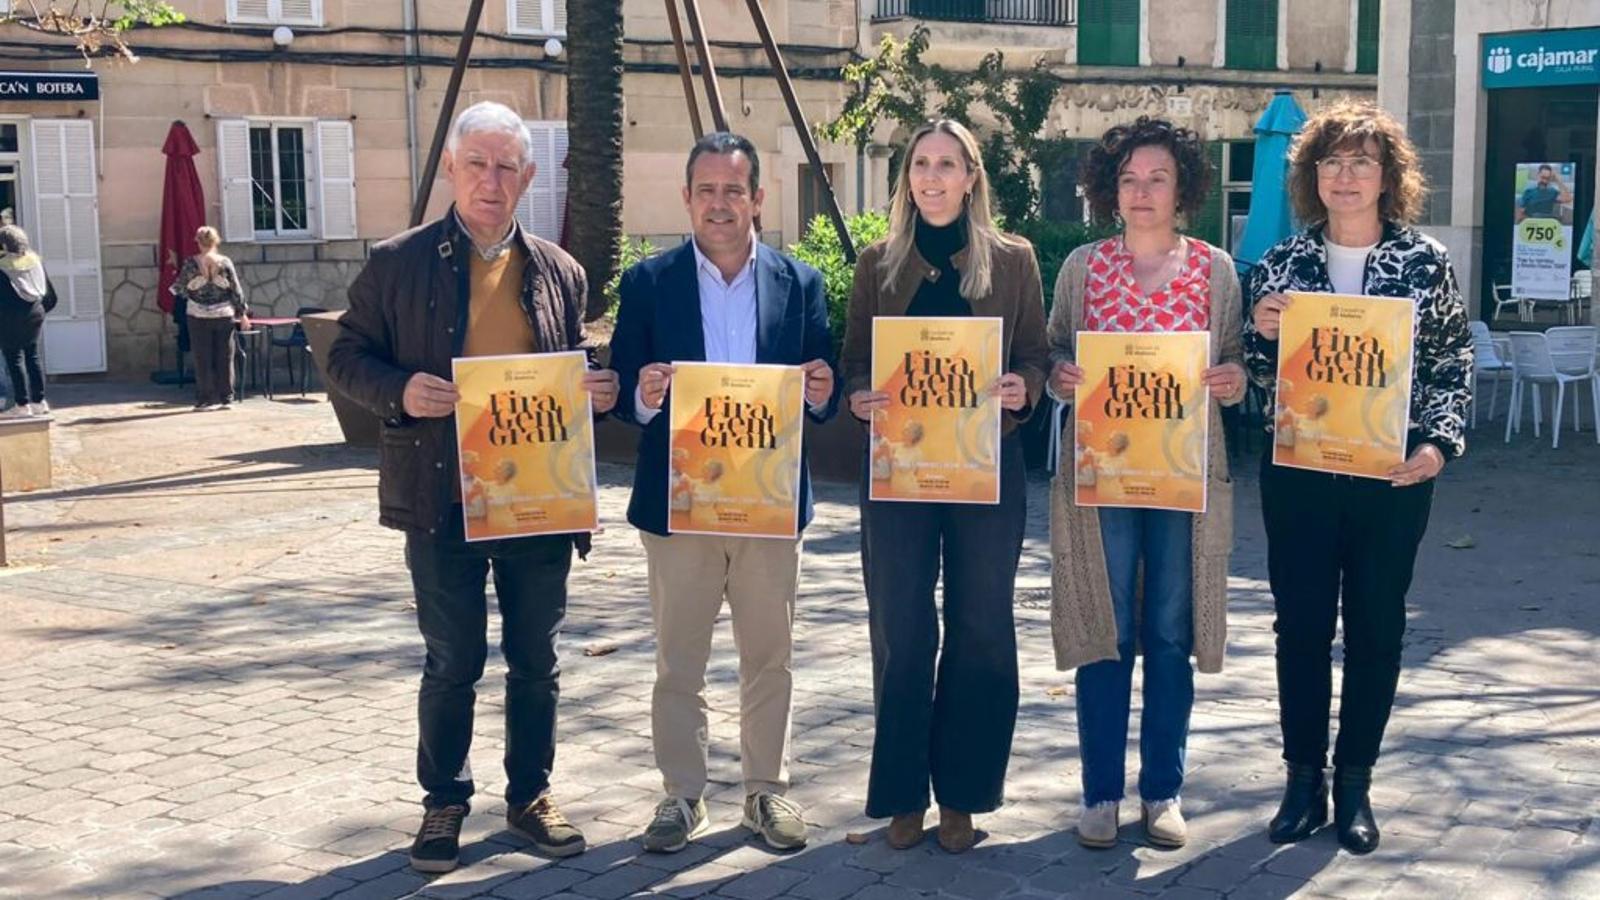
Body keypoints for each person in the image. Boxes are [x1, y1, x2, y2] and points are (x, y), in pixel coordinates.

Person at [324, 101, 621, 874]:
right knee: (452, 660)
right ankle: (444, 803)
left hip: (540, 498)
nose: (492, 181)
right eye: (477, 164)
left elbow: (571, 363)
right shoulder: (399, 262)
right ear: (453, 168)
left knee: (536, 659)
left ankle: (531, 797)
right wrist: (399, 391)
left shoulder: (561, 270)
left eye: (507, 167)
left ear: (525, 177)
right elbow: (344, 357)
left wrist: (596, 386)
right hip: (442, 496)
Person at [1244, 99, 1472, 855]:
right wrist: (1261, 335)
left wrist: (1438, 444)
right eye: (1331, 162)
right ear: (1313, 176)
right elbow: (1253, 382)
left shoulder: (1425, 262)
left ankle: (1355, 783)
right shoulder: (1282, 263)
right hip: (1302, 475)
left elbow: (1450, 364)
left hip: (1392, 475)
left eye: (1361, 161)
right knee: (1300, 628)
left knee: (1377, 628)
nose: (1345, 176)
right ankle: (1301, 778)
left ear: (1387, 175)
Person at [609, 131, 839, 854]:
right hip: (681, 508)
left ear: (758, 201)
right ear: (686, 199)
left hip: (768, 504)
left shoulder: (800, 283)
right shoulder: (648, 283)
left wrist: (825, 392)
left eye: (733, 190)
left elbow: (823, 385)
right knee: (680, 660)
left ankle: (766, 793)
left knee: (769, 656)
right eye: (705, 190)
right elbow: (622, 393)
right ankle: (682, 795)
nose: (719, 204)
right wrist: (645, 397)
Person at [841, 119, 1049, 854]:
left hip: (987, 473)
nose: (932, 178)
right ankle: (903, 794)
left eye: (947, 165)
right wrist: (862, 395)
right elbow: (854, 365)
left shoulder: (1014, 260)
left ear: (971, 177)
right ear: (907, 180)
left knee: (982, 628)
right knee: (901, 628)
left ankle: (963, 795)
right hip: (898, 475)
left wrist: (1024, 386)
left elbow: (1036, 357)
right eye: (920, 165)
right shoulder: (877, 263)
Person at [1045, 117, 1247, 851]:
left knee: (1168, 634)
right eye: (1129, 178)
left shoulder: (1215, 270)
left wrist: (1233, 380)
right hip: (1101, 482)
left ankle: (1162, 790)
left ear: (1182, 187)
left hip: (1182, 485)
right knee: (1106, 631)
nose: (1142, 192)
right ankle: (1100, 792)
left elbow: (1234, 362)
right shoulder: (1082, 269)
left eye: (1157, 177)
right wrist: (1059, 378)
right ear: (1110, 188)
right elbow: (1053, 352)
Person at [173, 226, 248, 410]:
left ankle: (204, 399)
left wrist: (194, 286)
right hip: (224, 315)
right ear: (216, 241)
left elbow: (178, 289)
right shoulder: (225, 262)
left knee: (202, 357)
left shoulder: (190, 263)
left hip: (197, 316)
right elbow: (236, 290)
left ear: (197, 242)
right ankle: (226, 398)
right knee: (225, 356)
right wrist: (243, 314)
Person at [0, 225, 56, 418]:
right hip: (35, 313)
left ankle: (22, 405)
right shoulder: (35, 261)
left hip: (9, 317)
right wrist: (38, 310)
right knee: (32, 356)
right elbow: (50, 296)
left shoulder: (2, 265)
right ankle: (39, 401)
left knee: (14, 359)